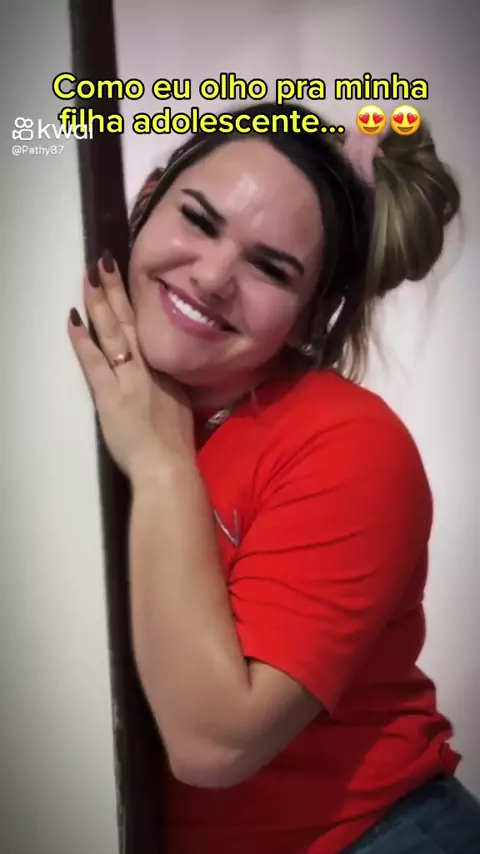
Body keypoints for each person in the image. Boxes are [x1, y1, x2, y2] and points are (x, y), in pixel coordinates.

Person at [68, 102, 480, 853]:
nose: (212, 276)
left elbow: (215, 745)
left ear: (313, 314)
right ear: (148, 198)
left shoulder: (349, 445)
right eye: (198, 220)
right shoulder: (89, 390)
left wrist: (164, 471)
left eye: (269, 268)